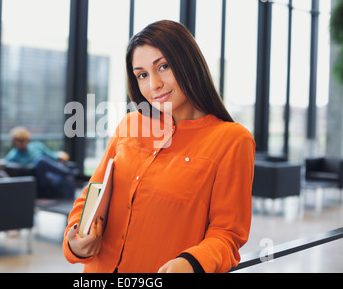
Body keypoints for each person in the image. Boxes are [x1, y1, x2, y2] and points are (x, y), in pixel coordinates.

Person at [63, 20, 255, 273]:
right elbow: (92, 194)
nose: (153, 85)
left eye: (163, 66)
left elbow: (227, 235)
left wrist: (191, 262)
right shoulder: (129, 126)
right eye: (142, 74)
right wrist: (76, 239)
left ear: (189, 62)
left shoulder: (232, 140)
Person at [5, 126, 77, 199]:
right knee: (40, 161)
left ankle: (68, 175)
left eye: (24, 140)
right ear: (15, 142)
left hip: (50, 177)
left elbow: (52, 156)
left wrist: (60, 155)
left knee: (66, 178)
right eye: (19, 141)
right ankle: (70, 172)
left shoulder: (37, 146)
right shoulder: (13, 156)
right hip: (39, 181)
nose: (22, 143)